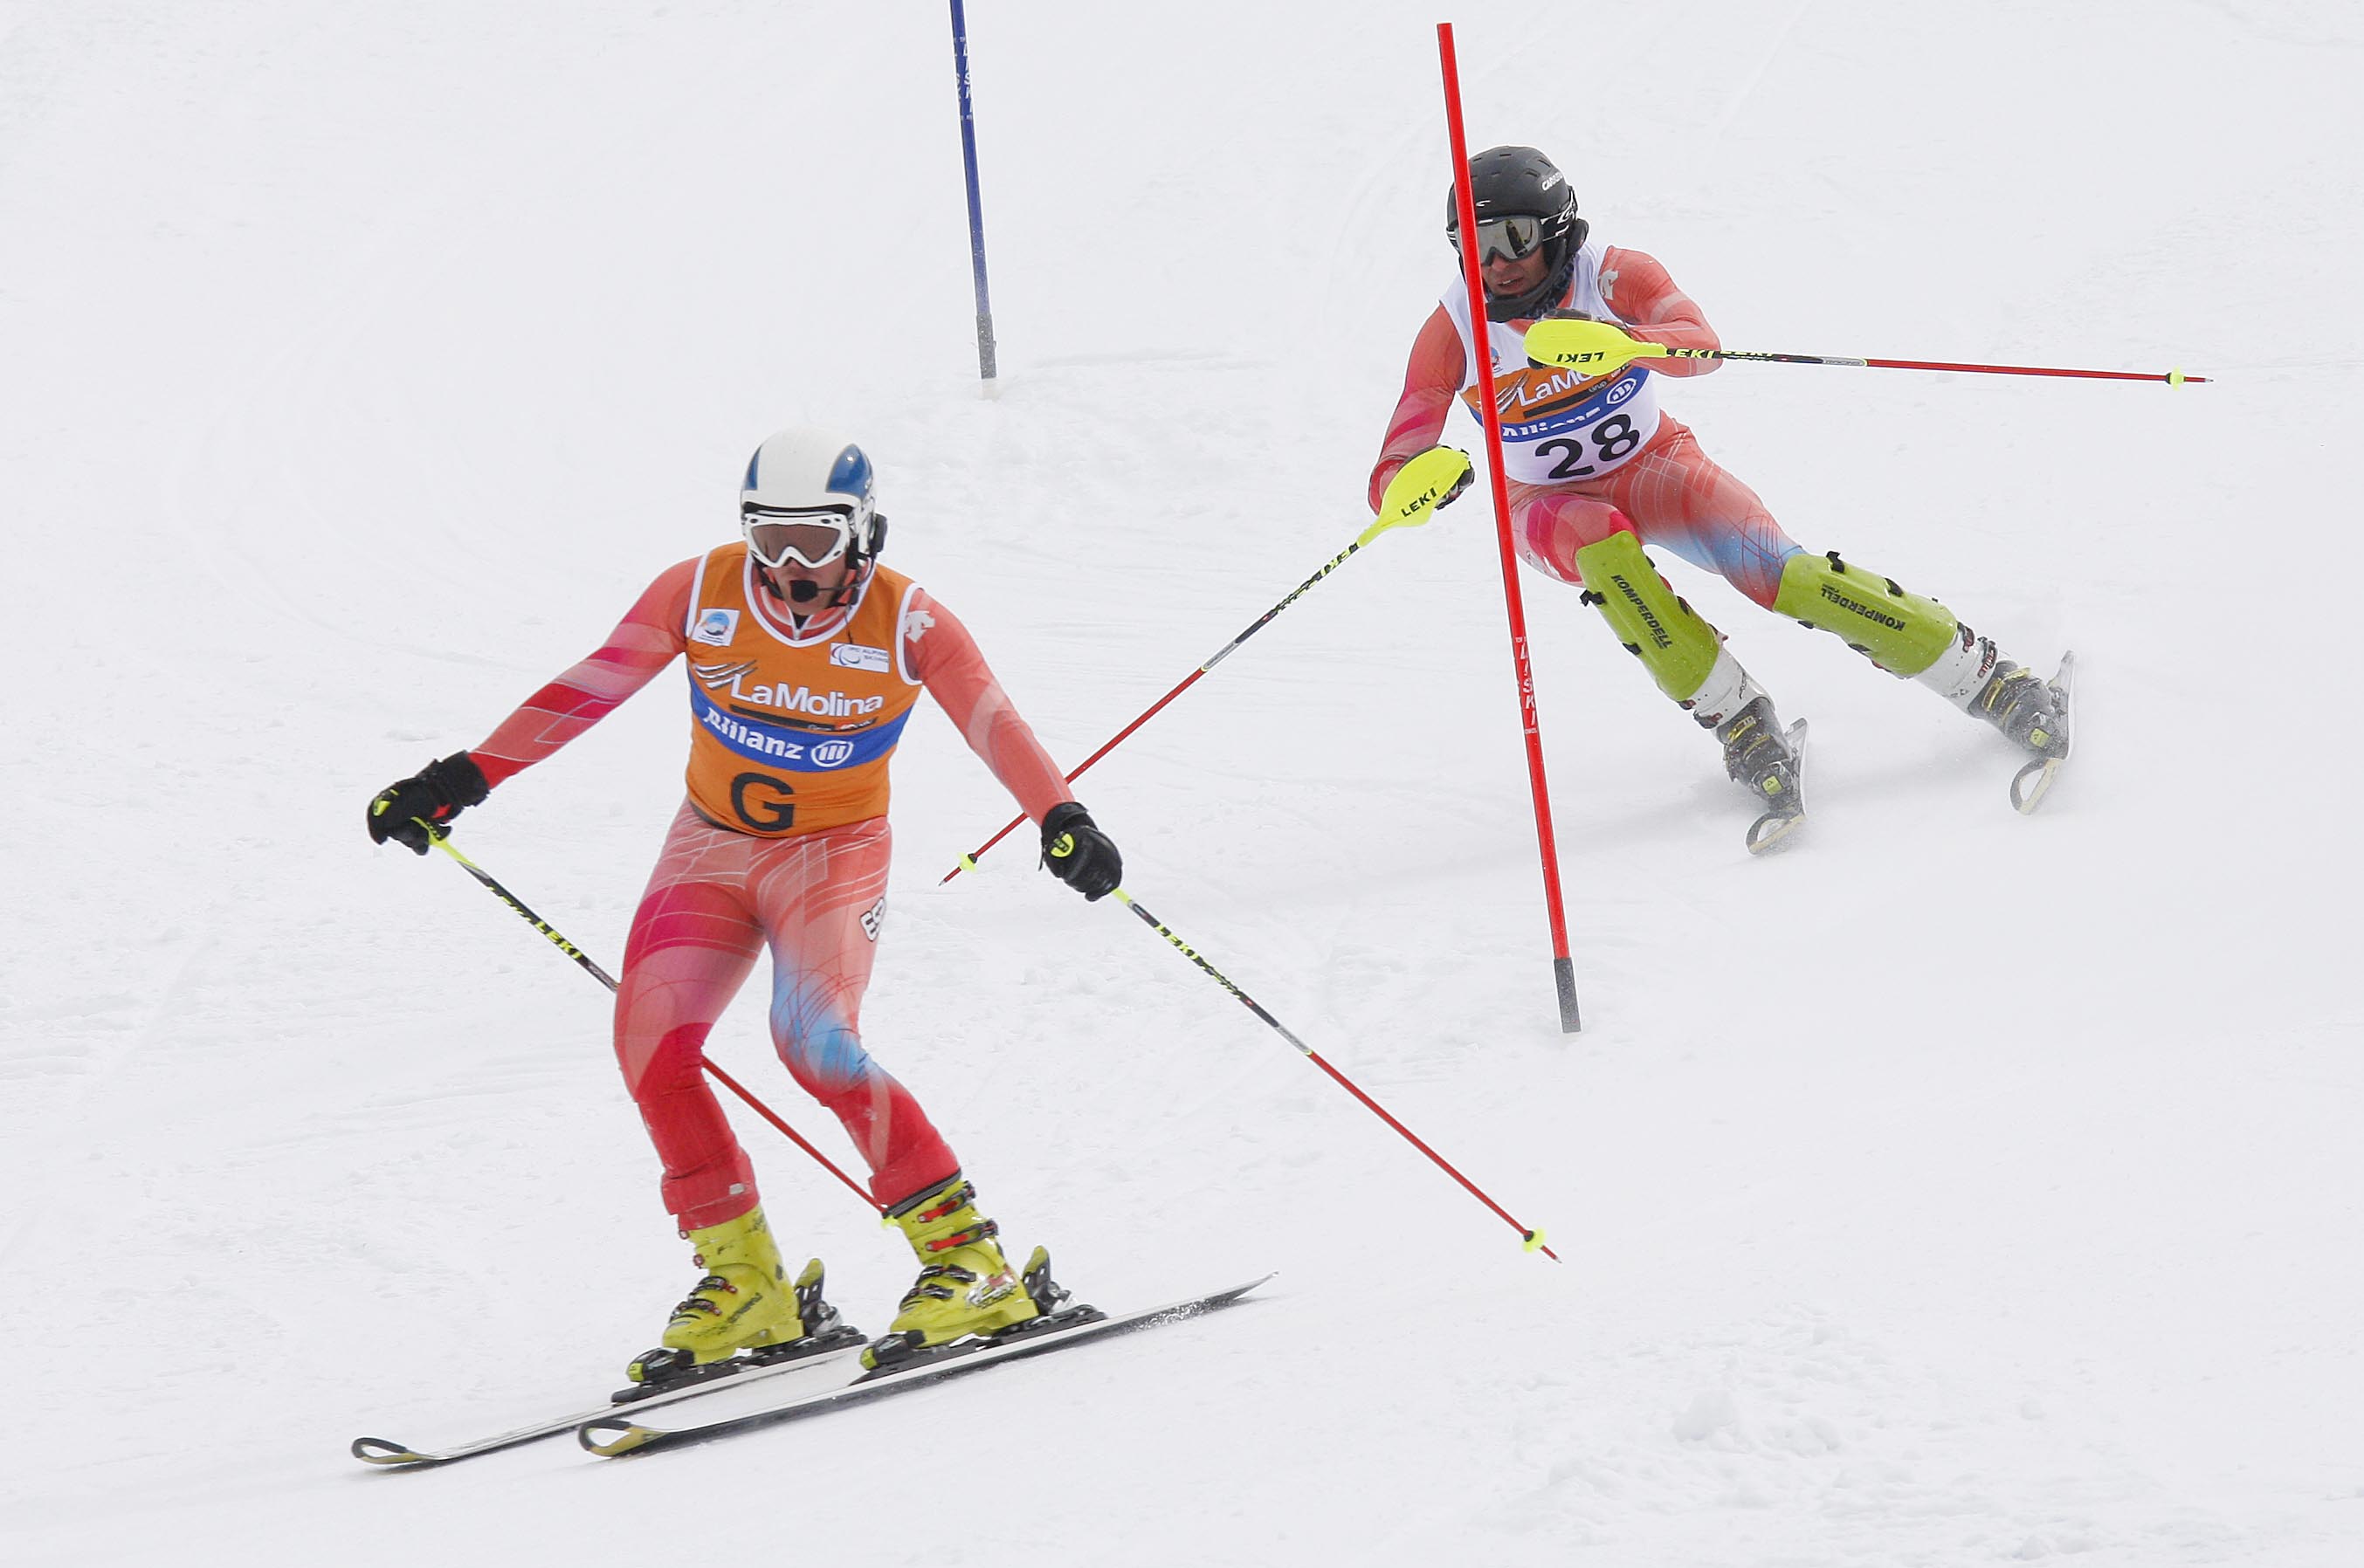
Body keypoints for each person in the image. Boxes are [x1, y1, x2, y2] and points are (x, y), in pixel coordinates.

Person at [365, 429, 1122, 1379]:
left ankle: (970, 1259)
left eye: (816, 539)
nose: (791, 566)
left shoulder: (909, 621)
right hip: (710, 847)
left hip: (829, 857)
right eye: (771, 538)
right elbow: (594, 680)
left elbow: (991, 719)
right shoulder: (700, 590)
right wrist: (463, 775)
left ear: (863, 530)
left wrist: (1060, 815)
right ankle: (749, 1282)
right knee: (650, 1042)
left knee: (815, 1041)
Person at [1368, 146, 2070, 836]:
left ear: (1556, 230)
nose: (1493, 262)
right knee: (1601, 548)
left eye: (1512, 236)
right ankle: (1739, 721)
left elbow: (1701, 346)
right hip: (1545, 507)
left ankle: (1989, 680)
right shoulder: (1453, 328)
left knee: (1780, 573)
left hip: (1654, 464)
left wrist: (1622, 341)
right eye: (1472, 242)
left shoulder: (1611, 276)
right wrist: (1409, 486)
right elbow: (1400, 446)